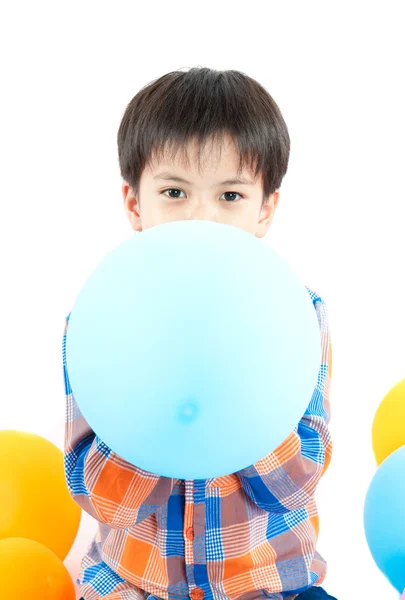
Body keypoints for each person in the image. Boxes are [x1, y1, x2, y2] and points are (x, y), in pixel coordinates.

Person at [62, 67, 336, 600]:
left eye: (230, 196)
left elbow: (298, 481)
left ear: (266, 210)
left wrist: (242, 404)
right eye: (174, 192)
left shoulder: (297, 316)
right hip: (135, 585)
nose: (201, 218)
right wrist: (152, 410)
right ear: (135, 204)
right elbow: (96, 493)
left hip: (270, 583)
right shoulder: (101, 318)